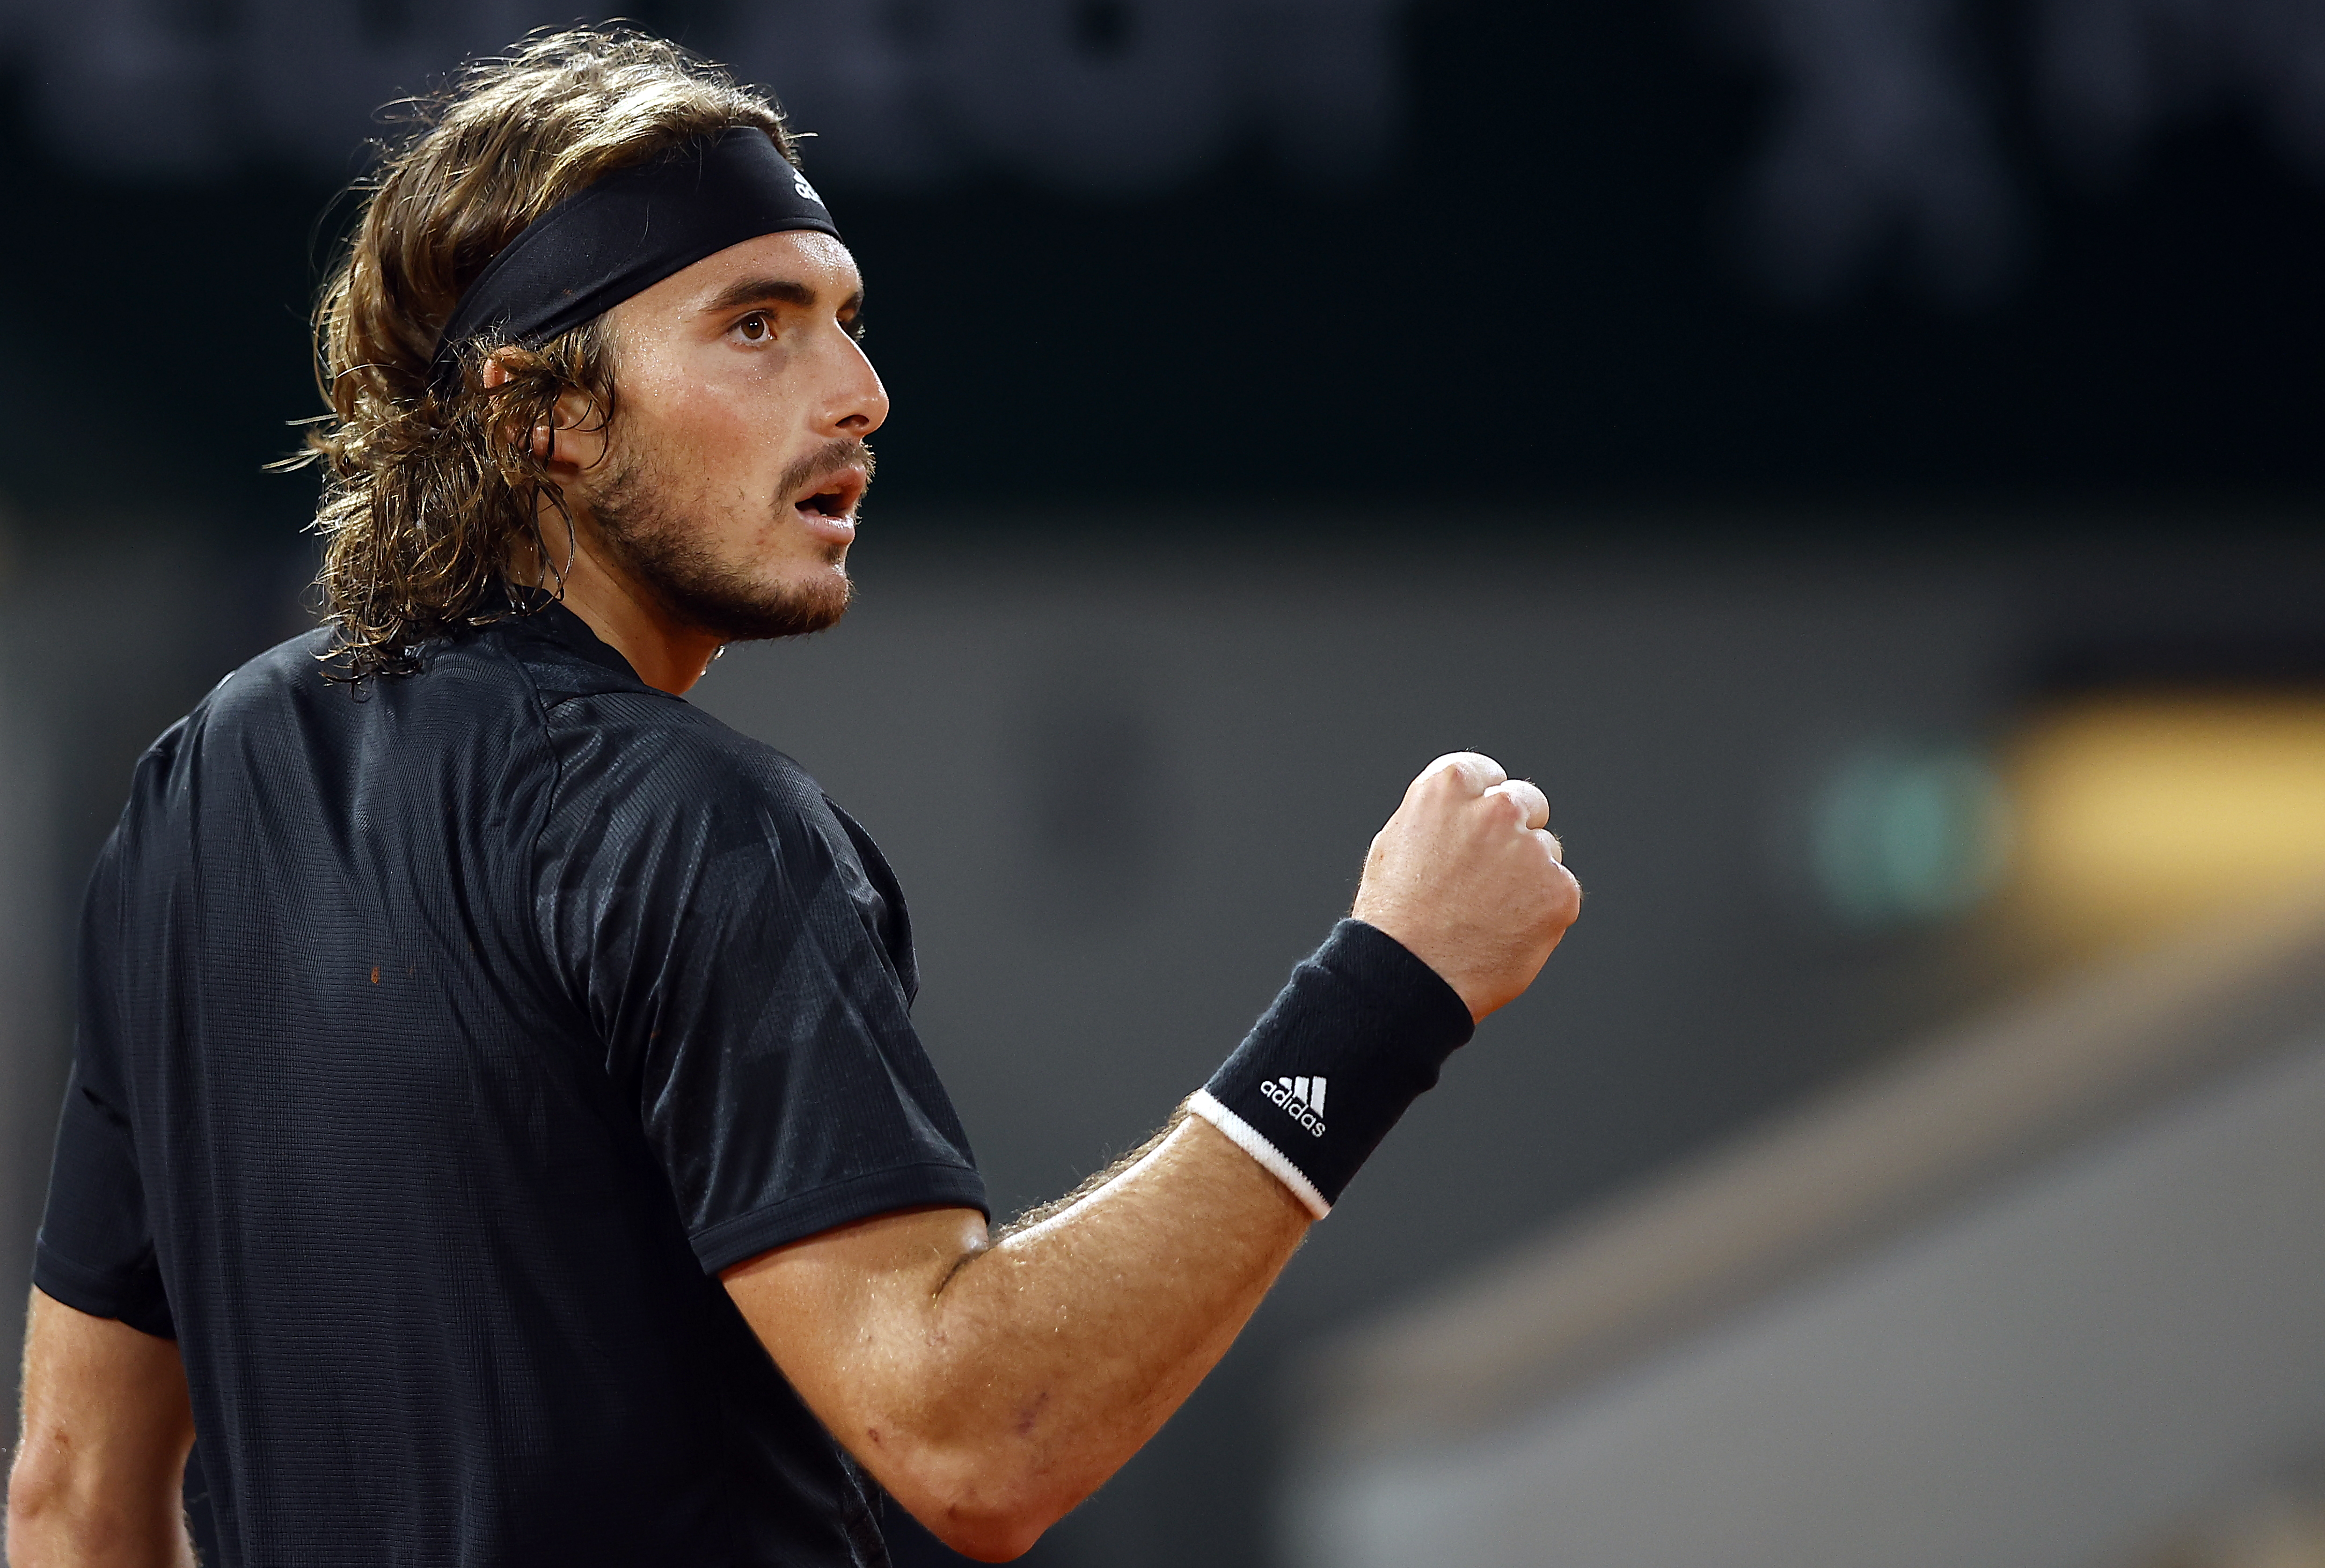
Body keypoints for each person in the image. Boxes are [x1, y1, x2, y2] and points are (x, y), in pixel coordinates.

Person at [5, 27, 1580, 1568]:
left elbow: (70, 1503)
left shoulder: (198, 787)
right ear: (535, 411)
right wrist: (1384, 991)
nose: (859, 391)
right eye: (757, 325)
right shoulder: (689, 818)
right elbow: (979, 1439)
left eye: (844, 316)